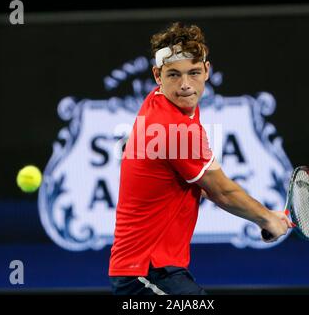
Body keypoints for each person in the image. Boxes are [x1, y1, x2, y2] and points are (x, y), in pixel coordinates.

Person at [108, 22, 292, 295]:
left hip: (151, 270)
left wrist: (265, 215)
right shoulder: (175, 128)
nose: (185, 85)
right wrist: (267, 220)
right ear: (157, 75)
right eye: (173, 75)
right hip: (146, 273)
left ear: (206, 71)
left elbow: (206, 186)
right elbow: (221, 191)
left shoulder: (161, 102)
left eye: (194, 72)